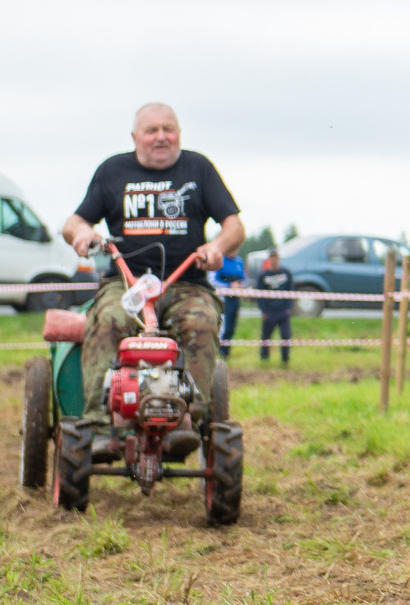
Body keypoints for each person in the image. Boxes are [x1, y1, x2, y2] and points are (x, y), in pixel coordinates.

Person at [60, 103, 243, 450]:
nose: (161, 137)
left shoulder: (198, 168)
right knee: (108, 319)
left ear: (179, 134)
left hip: (186, 282)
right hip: (125, 283)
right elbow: (74, 222)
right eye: (151, 130)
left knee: (202, 322)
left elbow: (234, 226)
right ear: (135, 137)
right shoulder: (112, 170)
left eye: (168, 129)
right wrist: (82, 234)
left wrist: (217, 247)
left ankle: (188, 421)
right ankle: (99, 426)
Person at [252, 249, 295, 366]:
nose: (274, 260)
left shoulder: (286, 273)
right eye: (272, 257)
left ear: (278, 258)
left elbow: (291, 291)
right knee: (266, 336)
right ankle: (264, 360)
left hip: (283, 311)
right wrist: (264, 311)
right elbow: (259, 295)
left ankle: (285, 360)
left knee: (286, 336)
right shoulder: (263, 275)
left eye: (275, 257)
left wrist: (288, 308)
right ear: (269, 259)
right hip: (269, 311)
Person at [214, 251, 245, 355]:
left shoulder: (239, 261)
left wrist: (241, 286)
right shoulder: (220, 260)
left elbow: (244, 278)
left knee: (232, 327)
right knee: (224, 326)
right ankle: (219, 350)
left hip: (235, 297)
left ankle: (225, 353)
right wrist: (228, 285)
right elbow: (213, 280)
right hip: (223, 298)